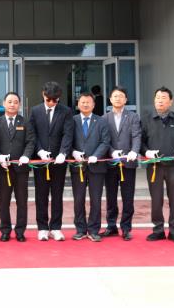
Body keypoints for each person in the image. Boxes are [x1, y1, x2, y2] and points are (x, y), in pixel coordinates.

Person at [140, 86, 174, 244]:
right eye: (157, 98)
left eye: (164, 98)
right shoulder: (146, 120)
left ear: (170, 101)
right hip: (154, 166)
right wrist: (147, 152)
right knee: (156, 200)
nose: (160, 101)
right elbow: (140, 141)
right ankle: (158, 230)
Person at [28, 81, 74, 242]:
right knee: (41, 195)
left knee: (57, 194)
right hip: (40, 161)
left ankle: (55, 227)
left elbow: (68, 134)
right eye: (49, 99)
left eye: (55, 100)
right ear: (43, 95)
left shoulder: (66, 111)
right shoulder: (35, 111)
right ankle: (42, 228)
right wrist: (39, 151)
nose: (52, 103)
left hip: (58, 162)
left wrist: (63, 153)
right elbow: (32, 134)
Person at [101, 86, 141, 241]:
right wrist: (111, 151)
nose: (118, 99)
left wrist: (134, 151)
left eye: (121, 96)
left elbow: (136, 136)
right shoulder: (104, 118)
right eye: (115, 96)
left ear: (126, 99)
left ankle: (126, 228)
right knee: (111, 196)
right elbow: (104, 139)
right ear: (110, 99)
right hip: (111, 163)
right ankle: (111, 226)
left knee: (128, 197)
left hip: (128, 163)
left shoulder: (133, 117)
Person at [0, 91, 35, 242]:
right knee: (4, 201)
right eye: (9, 101)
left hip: (21, 169)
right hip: (3, 168)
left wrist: (26, 156)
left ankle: (20, 231)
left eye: (16, 102)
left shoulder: (25, 122)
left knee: (22, 201)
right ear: (4, 103)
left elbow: (31, 142)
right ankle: (5, 230)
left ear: (20, 105)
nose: (12, 104)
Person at [70, 92, 111, 242]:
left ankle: (94, 230)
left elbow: (105, 142)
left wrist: (96, 155)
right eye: (82, 102)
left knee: (96, 199)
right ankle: (80, 229)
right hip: (78, 166)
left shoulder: (101, 121)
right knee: (78, 199)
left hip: (97, 166)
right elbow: (66, 141)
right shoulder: (72, 121)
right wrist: (73, 152)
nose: (85, 104)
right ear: (78, 104)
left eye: (88, 102)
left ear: (93, 105)